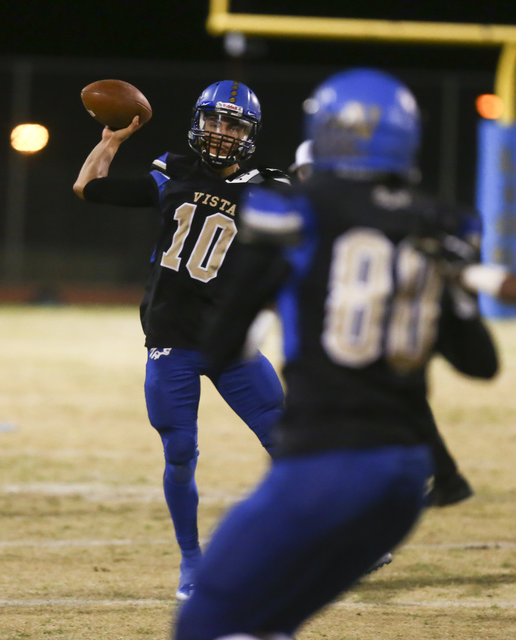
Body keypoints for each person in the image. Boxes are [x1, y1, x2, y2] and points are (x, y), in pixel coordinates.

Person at [173, 68, 499, 640]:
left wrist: (260, 271)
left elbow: (221, 343)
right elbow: (480, 364)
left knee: (204, 623)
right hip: (404, 480)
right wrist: (458, 292)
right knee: (270, 621)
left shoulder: (296, 210)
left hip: (327, 463)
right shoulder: (434, 222)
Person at [73, 80, 289, 601]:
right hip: (171, 338)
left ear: (250, 134)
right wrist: (112, 139)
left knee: (291, 443)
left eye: (233, 124)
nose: (220, 132)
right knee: (180, 452)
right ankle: (192, 562)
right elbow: (88, 188)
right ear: (197, 122)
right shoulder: (170, 170)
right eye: (213, 120)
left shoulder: (273, 187)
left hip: (231, 343)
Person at [289, 141, 476, 509]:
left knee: (387, 397)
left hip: (375, 325)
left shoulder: (351, 215)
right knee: (404, 399)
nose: (309, 182)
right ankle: (446, 476)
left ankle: (436, 478)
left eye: (312, 173)